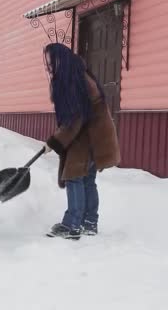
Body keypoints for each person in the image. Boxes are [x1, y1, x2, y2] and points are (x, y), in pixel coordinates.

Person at [41, 43, 121, 240]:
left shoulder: (76, 81)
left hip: (88, 138)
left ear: (61, 60)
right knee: (86, 180)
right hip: (92, 137)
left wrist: (54, 142)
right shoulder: (79, 76)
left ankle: (73, 225)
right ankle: (89, 223)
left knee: (74, 176)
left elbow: (74, 118)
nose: (48, 65)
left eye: (51, 60)